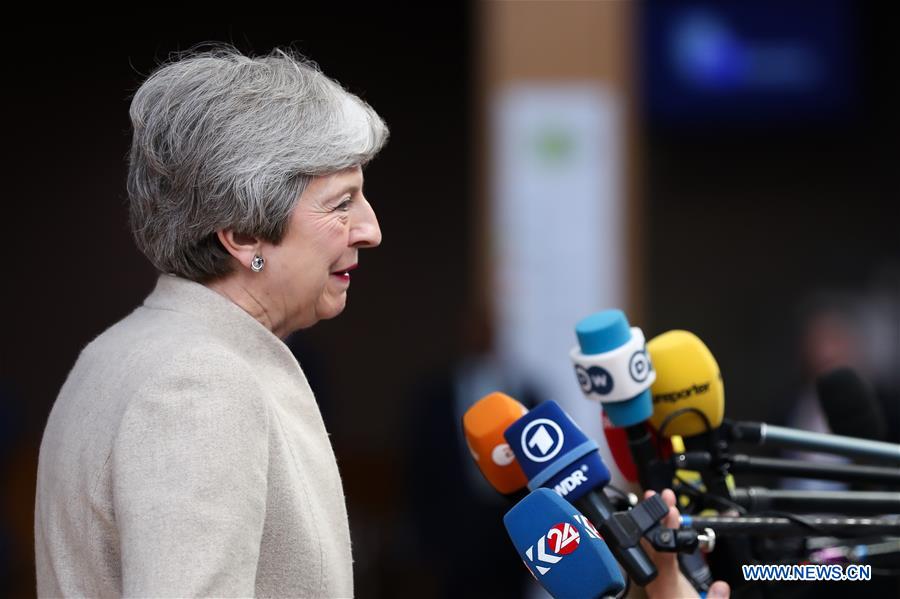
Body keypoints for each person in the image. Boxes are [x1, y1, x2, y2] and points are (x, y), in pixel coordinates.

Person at [34, 46, 386, 597]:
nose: (370, 229)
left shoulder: (125, 349)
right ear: (243, 234)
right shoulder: (201, 382)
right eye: (342, 204)